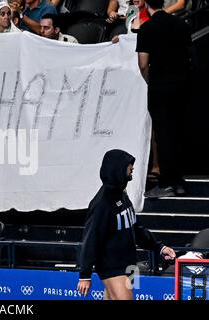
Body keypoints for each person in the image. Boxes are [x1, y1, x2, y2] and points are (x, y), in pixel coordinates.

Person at [77, 149, 176, 300]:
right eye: (129, 169)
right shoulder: (102, 203)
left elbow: (135, 228)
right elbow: (91, 239)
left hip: (129, 265)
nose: (132, 172)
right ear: (117, 170)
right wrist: (85, 275)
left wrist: (159, 247)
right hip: (112, 266)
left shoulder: (123, 196)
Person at [136, 0, 191, 198]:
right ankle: (179, 182)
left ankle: (168, 182)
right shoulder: (181, 25)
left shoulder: (147, 28)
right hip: (182, 85)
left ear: (147, 5)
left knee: (163, 134)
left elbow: (143, 64)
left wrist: (149, 81)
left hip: (160, 86)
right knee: (177, 132)